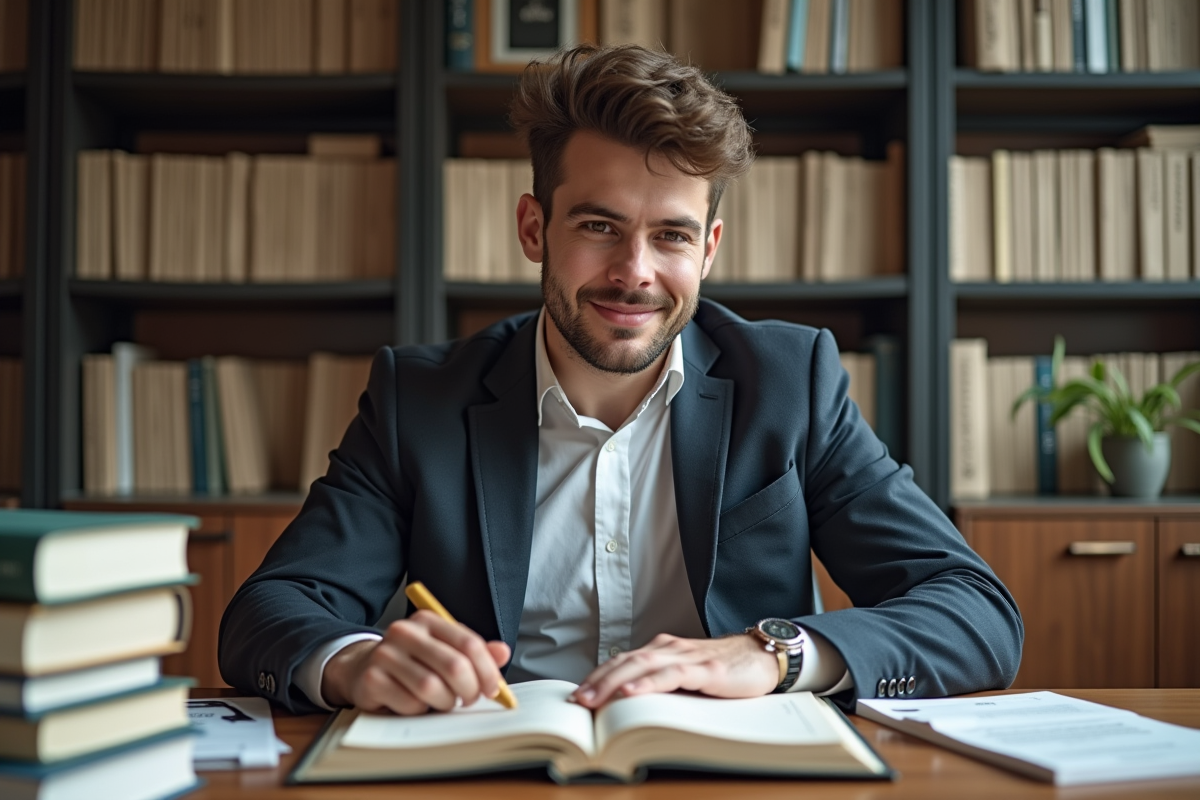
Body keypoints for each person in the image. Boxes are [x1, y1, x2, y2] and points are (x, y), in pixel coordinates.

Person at [218, 44, 1022, 716]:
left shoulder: (790, 382)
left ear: (707, 251)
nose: (634, 273)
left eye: (670, 236)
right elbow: (268, 612)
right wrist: (354, 661)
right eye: (599, 226)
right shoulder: (418, 399)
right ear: (535, 228)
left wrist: (773, 654)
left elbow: (975, 611)